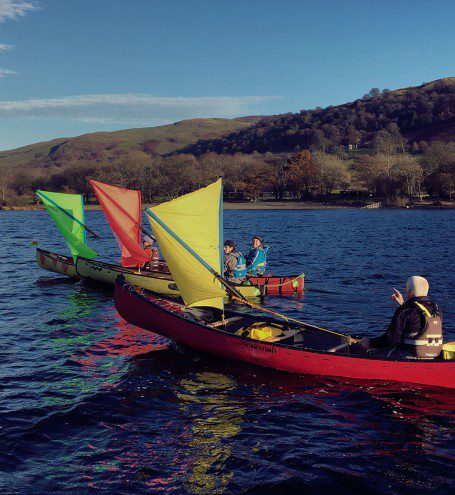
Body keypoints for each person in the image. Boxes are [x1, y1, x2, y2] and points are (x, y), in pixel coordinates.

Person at [358, 276, 443, 359]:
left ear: (410, 293)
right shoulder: (436, 309)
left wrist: (370, 343)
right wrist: (403, 304)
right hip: (433, 356)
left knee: (371, 353)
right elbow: (418, 319)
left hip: (409, 356)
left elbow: (391, 339)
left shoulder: (405, 310)